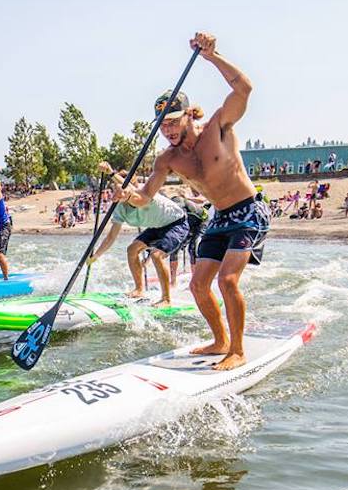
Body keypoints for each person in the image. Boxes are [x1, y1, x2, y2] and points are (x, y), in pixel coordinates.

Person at [114, 32, 267, 370]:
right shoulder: (167, 159)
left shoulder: (218, 127)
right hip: (219, 216)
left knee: (227, 280)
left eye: (172, 121)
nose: (166, 129)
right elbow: (144, 198)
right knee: (199, 284)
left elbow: (244, 89)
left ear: (188, 115)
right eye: (161, 124)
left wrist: (212, 56)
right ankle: (220, 340)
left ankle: (237, 351)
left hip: (249, 211)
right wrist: (127, 195)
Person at [89, 164, 189, 307]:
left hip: (176, 223)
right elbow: (111, 237)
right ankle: (139, 289)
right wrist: (96, 256)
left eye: (120, 187)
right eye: (115, 188)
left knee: (156, 255)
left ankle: (166, 299)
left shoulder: (144, 193)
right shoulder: (120, 208)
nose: (117, 191)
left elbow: (131, 191)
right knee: (132, 249)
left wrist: (111, 172)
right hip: (157, 226)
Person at [169, 191, 209, 286]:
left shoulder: (182, 205)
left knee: (192, 248)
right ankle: (173, 281)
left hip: (201, 222)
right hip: (189, 223)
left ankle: (194, 281)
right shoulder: (169, 210)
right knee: (174, 249)